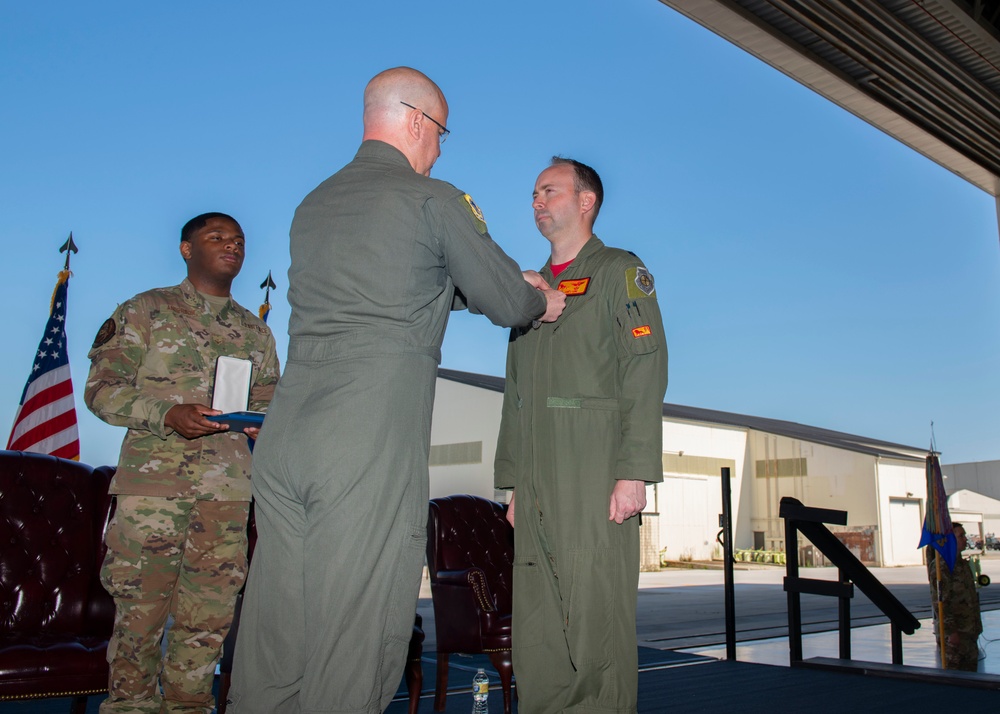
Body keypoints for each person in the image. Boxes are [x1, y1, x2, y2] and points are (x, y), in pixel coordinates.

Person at [227, 67, 566, 714]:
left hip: (286, 440)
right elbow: (504, 300)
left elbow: (404, 285)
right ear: (416, 122)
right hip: (364, 444)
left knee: (276, 640)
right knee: (353, 641)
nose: (439, 149)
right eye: (440, 134)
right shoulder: (432, 199)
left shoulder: (315, 204)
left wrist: (489, 278)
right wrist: (538, 299)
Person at [85, 212, 280, 713]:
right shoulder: (145, 311)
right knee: (139, 620)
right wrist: (166, 413)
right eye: (216, 237)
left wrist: (265, 421)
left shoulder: (255, 332)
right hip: (154, 492)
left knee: (206, 625)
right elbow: (102, 391)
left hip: (227, 495)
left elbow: (271, 399)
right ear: (186, 249)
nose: (231, 246)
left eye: (238, 240)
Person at [495, 158, 668, 712]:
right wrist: (514, 482)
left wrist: (634, 470)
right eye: (534, 194)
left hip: (594, 469)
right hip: (537, 475)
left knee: (596, 612)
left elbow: (645, 367)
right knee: (539, 618)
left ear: (586, 200)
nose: (537, 202)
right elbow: (516, 390)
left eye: (549, 191)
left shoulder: (620, 270)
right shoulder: (530, 287)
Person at [927, 522, 983, 671]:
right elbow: (941, 602)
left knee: (971, 677)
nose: (965, 539)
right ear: (950, 539)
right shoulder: (942, 566)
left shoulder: (963, 565)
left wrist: (976, 628)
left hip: (969, 632)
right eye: (961, 536)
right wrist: (950, 632)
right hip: (955, 635)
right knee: (955, 677)